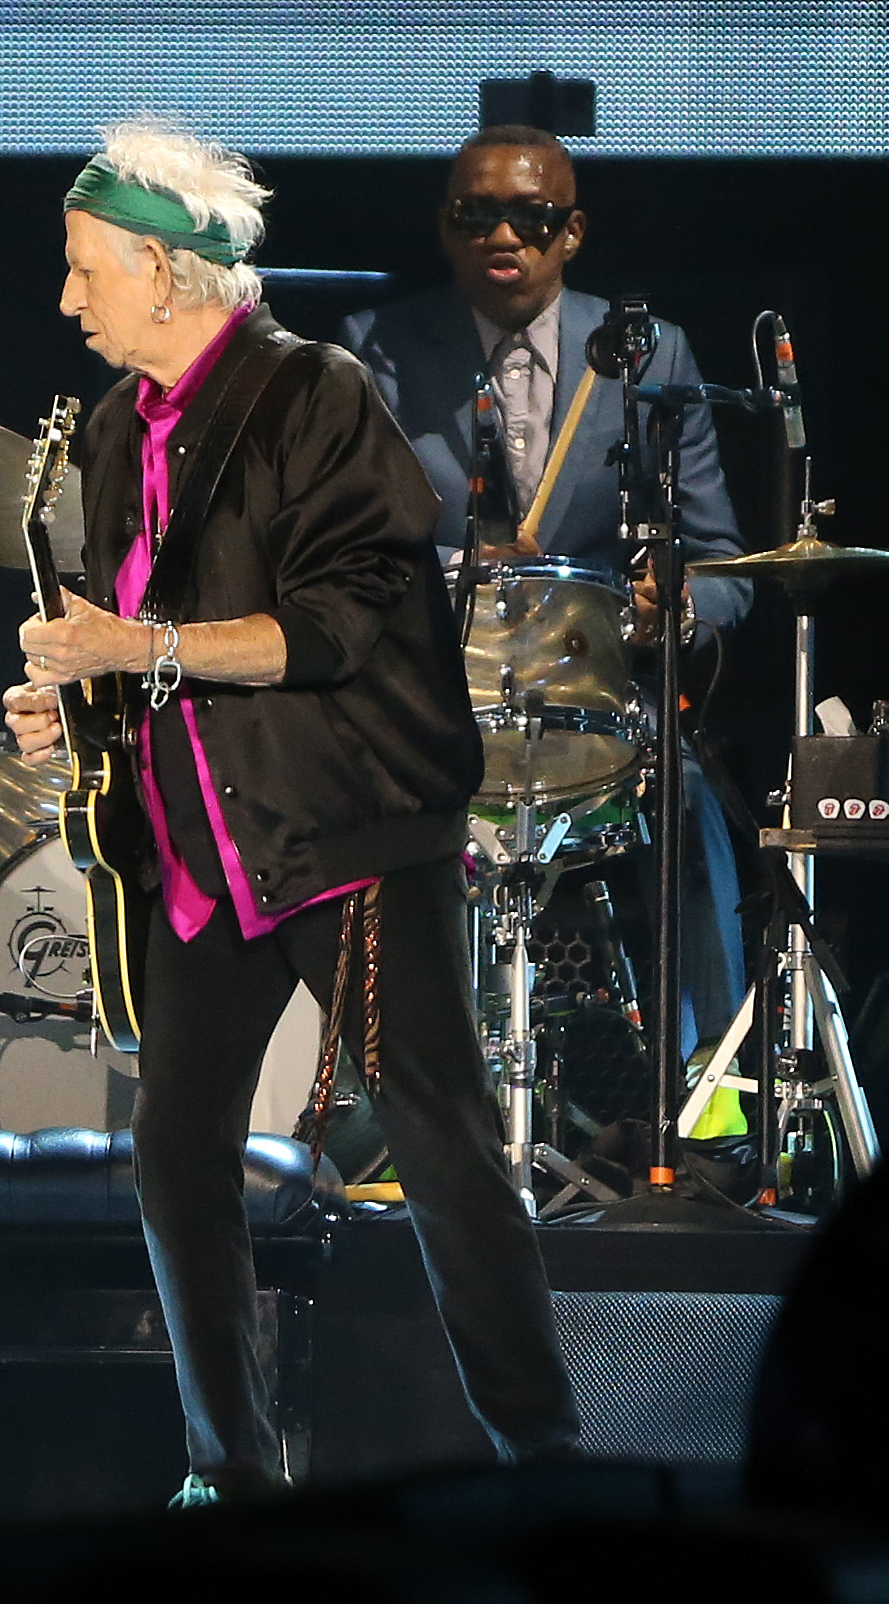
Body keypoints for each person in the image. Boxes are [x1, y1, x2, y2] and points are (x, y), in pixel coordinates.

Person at [5, 123, 578, 1504]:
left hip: (344, 837)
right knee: (174, 1155)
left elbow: (331, 628)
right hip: (207, 849)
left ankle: (543, 1463)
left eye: (87, 272)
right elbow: (141, 639)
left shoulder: (311, 392)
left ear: (161, 266)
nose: (68, 300)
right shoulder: (105, 431)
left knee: (435, 1139)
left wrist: (128, 655)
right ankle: (228, 1475)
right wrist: (75, 707)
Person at [339, 124, 749, 1056]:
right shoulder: (376, 351)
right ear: (445, 230)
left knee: (687, 794)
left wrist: (670, 605)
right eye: (474, 215)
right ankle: (395, 1096)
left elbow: (722, 561)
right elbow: (342, 550)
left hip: (590, 705)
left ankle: (710, 1097)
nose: (503, 236)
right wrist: (442, 580)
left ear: (573, 233)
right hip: (436, 705)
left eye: (532, 217)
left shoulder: (651, 355)